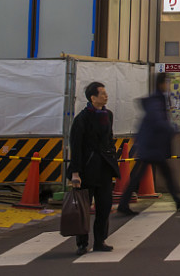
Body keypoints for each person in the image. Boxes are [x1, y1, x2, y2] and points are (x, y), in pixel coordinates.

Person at [117, 73, 180, 215]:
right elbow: (158, 121)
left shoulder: (157, 99)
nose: (169, 86)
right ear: (161, 84)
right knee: (141, 175)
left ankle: (178, 200)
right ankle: (123, 204)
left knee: (163, 173)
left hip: (151, 144)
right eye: (167, 83)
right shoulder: (157, 101)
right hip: (152, 145)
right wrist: (175, 131)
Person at [68, 81, 121, 255]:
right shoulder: (82, 119)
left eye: (106, 93)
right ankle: (82, 244)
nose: (106, 96)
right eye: (102, 94)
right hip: (86, 169)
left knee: (104, 207)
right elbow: (76, 147)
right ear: (93, 98)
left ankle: (100, 241)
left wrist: (112, 155)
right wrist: (75, 173)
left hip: (104, 169)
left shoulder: (108, 115)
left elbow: (109, 139)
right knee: (84, 208)